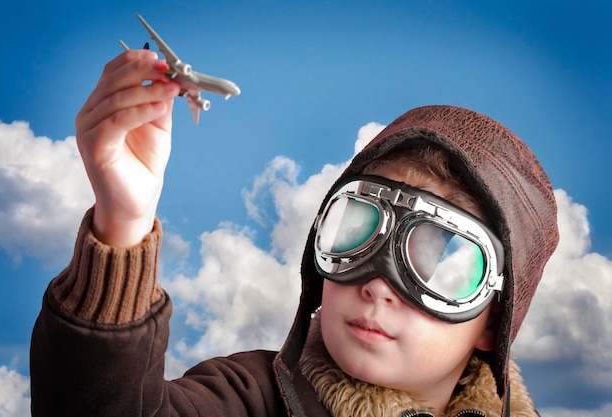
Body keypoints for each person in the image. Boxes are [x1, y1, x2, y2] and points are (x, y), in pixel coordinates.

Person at [30, 49, 559, 417]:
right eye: (358, 231)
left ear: (493, 320)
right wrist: (123, 223)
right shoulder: (250, 399)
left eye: (441, 265)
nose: (378, 284)